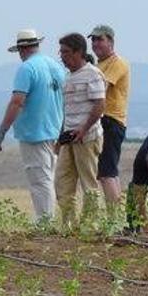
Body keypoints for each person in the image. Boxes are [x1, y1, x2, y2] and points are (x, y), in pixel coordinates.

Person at [0, 29, 65, 222]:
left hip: (34, 132)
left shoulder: (27, 69)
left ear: (22, 49)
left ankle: (45, 221)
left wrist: (1, 132)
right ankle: (48, 218)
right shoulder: (55, 66)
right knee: (48, 177)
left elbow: (17, 101)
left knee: (40, 180)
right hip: (54, 129)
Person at [54, 33, 106, 227]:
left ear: (79, 52)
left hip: (87, 138)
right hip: (69, 138)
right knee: (62, 181)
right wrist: (61, 138)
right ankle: (69, 223)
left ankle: (90, 225)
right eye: (61, 52)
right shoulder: (68, 77)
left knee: (88, 183)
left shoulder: (93, 74)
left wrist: (83, 130)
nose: (62, 56)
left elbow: (100, 104)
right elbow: (66, 111)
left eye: (66, 52)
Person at [88, 25, 131, 216]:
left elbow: (100, 88)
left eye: (100, 40)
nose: (96, 43)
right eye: (94, 40)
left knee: (107, 172)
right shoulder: (98, 66)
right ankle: (115, 215)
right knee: (106, 171)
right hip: (102, 120)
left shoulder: (117, 63)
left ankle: (114, 218)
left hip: (111, 120)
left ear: (111, 42)